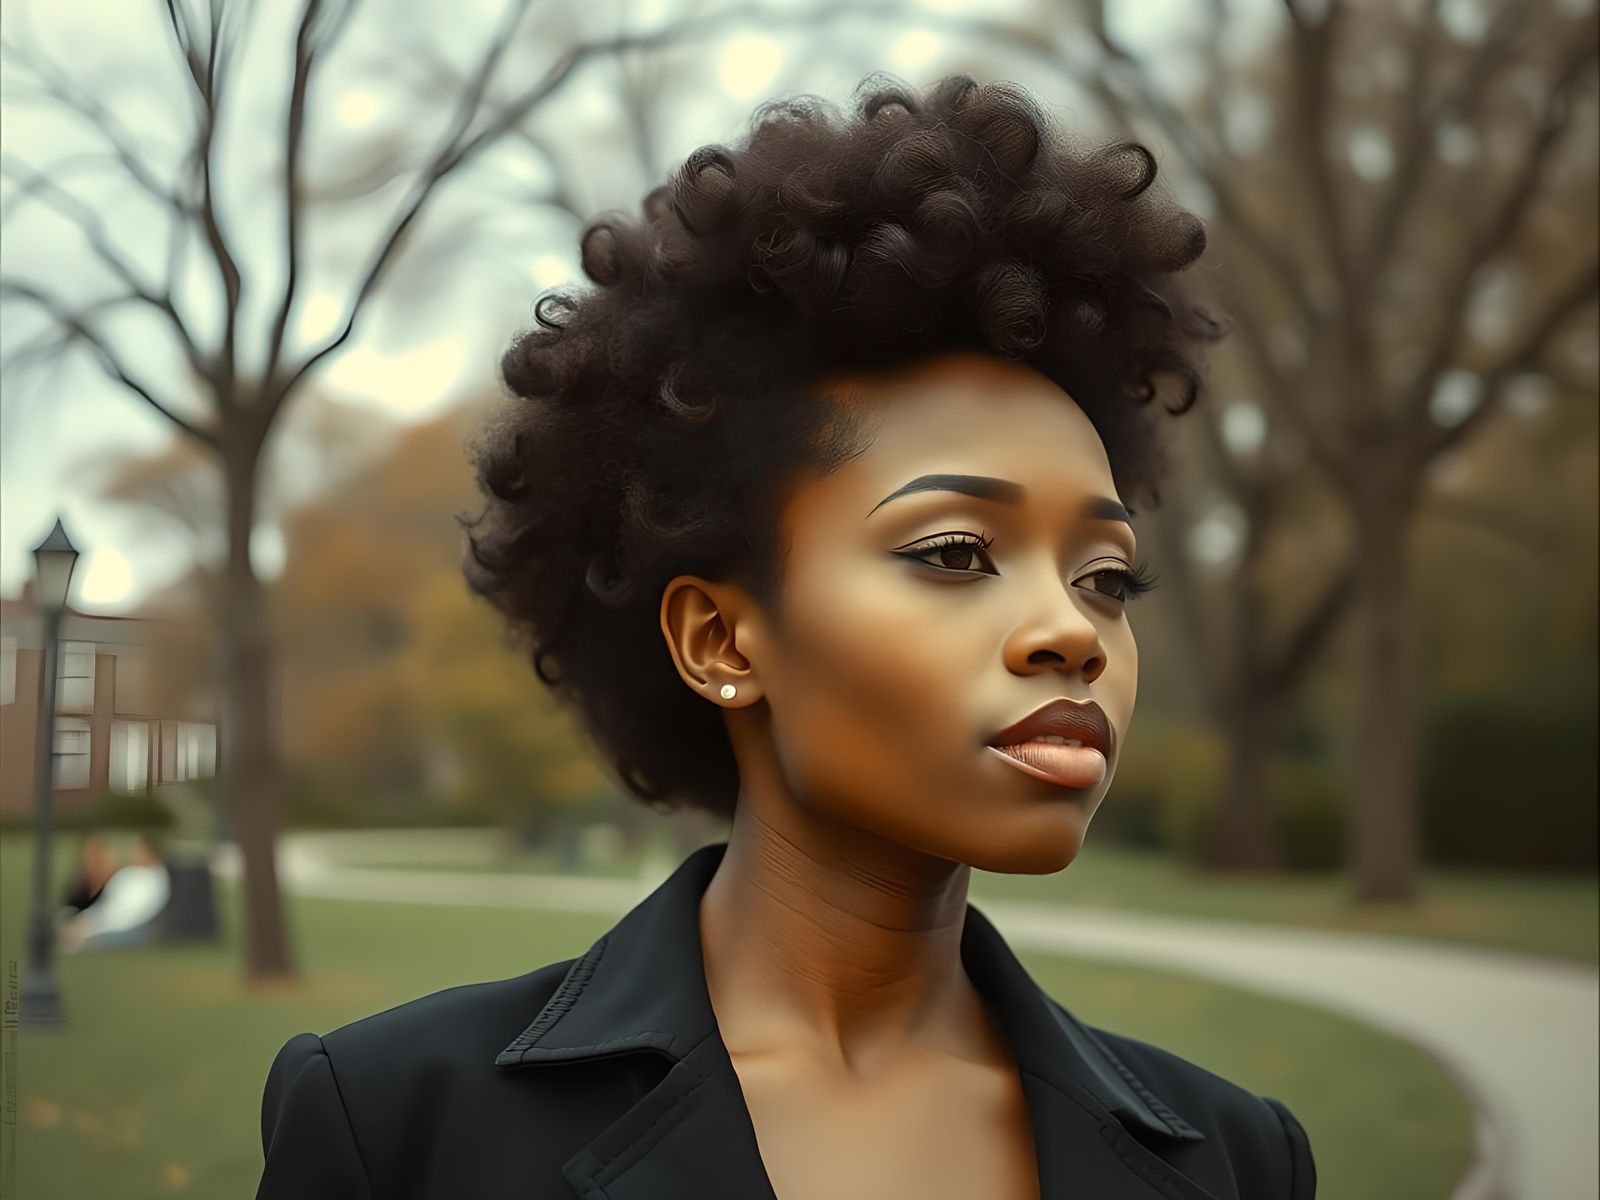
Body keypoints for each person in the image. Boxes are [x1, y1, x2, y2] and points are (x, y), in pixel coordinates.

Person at [256, 74, 1316, 1198]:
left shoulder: (1235, 1160)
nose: (1072, 631)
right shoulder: (402, 1124)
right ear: (720, 640)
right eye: (955, 553)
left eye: (1106, 576)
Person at [59, 833, 171, 953]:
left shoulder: (153, 879)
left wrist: (91, 925)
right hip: (100, 921)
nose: (135, 855)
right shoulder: (130, 874)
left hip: (125, 928)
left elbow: (126, 915)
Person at [58, 833, 118, 916]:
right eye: (92, 856)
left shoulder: (117, 891)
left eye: (100, 856)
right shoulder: (78, 893)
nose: (96, 862)